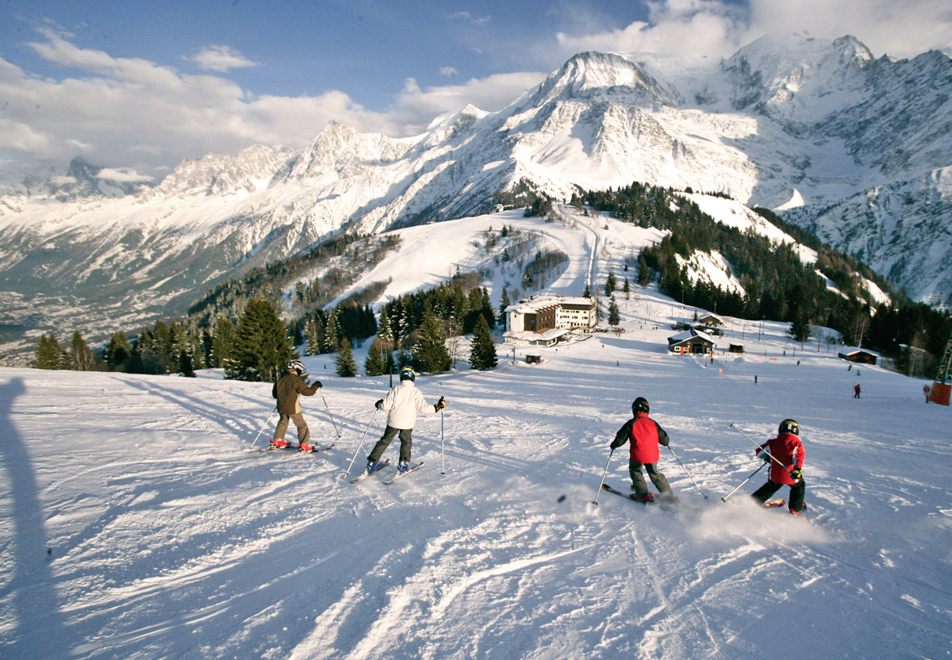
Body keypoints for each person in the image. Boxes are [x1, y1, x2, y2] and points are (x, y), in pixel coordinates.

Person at [364, 368, 445, 474]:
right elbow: (423, 409)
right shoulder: (415, 391)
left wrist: (379, 404)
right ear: (413, 378)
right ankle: (403, 464)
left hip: (393, 421)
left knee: (384, 441)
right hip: (407, 423)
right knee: (406, 442)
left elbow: (385, 406)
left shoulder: (395, 389)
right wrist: (437, 407)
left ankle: (371, 464)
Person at [609, 397, 675, 503]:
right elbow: (665, 440)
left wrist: (614, 445)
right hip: (652, 456)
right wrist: (666, 443)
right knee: (654, 473)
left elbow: (620, 438)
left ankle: (642, 494)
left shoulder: (631, 423)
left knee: (636, 471)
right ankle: (668, 496)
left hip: (637, 455)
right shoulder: (653, 423)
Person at [751, 419, 806, 515]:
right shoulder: (796, 444)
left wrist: (768, 456)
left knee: (771, 486)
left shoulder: (772, 443)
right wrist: (797, 469)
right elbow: (798, 457)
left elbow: (759, 453)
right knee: (798, 486)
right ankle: (795, 509)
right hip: (791, 475)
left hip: (775, 475)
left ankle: (752, 503)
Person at [271, 360, 322, 452]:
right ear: (298, 370)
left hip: (281, 406)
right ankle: (305, 444)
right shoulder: (296, 380)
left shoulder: (281, 379)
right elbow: (308, 392)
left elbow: (275, 394)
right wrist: (316, 386)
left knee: (283, 421)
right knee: (302, 425)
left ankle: (278, 440)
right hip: (292, 407)